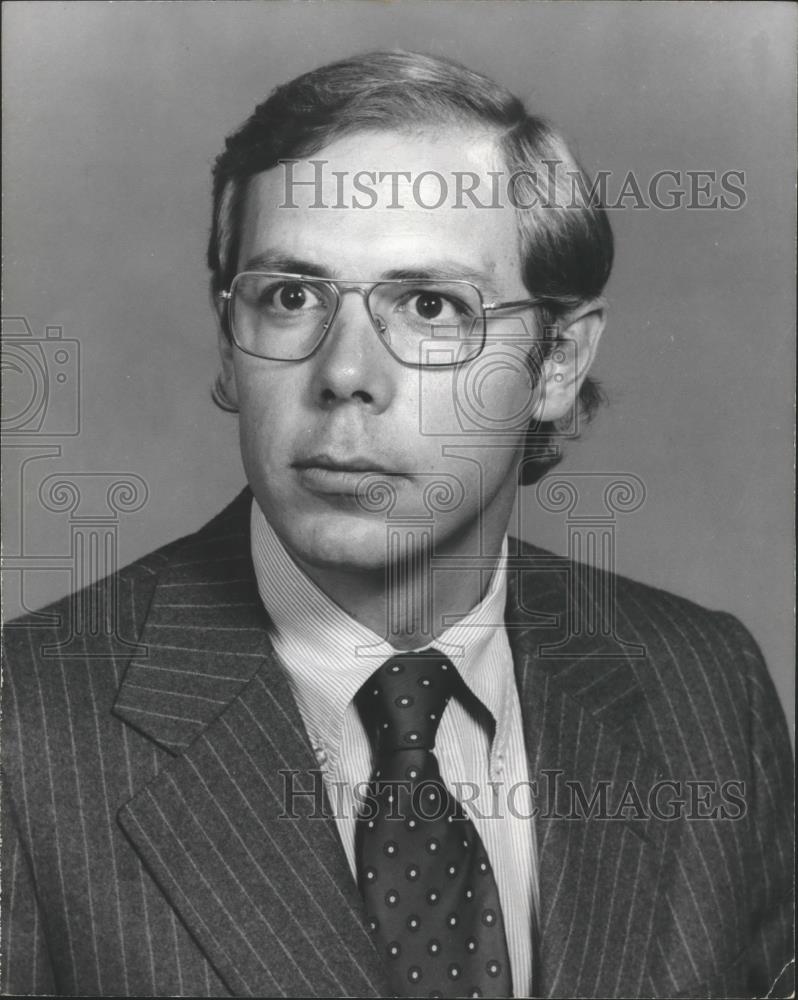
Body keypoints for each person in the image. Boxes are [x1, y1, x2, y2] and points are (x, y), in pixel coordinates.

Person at [1, 50, 792, 999]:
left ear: (557, 363)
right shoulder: (25, 726)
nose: (345, 374)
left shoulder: (708, 689)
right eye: (292, 297)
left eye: (429, 306)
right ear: (226, 342)